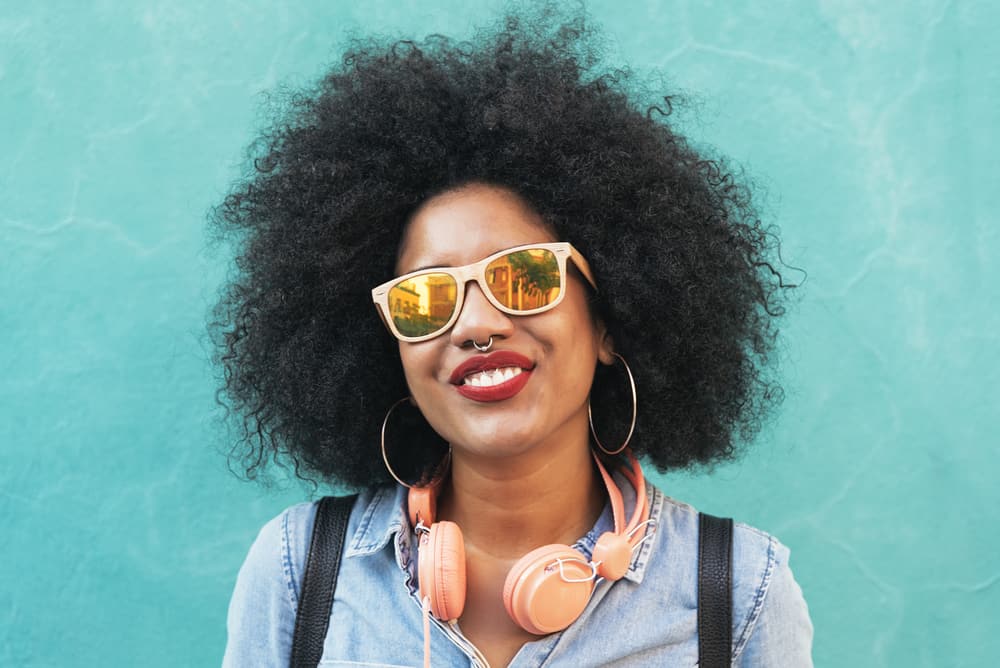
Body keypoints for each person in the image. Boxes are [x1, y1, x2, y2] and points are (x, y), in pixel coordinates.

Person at [212, 8, 813, 667]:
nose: (476, 325)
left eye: (523, 276)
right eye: (425, 298)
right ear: (393, 351)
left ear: (609, 320)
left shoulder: (739, 594)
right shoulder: (301, 574)